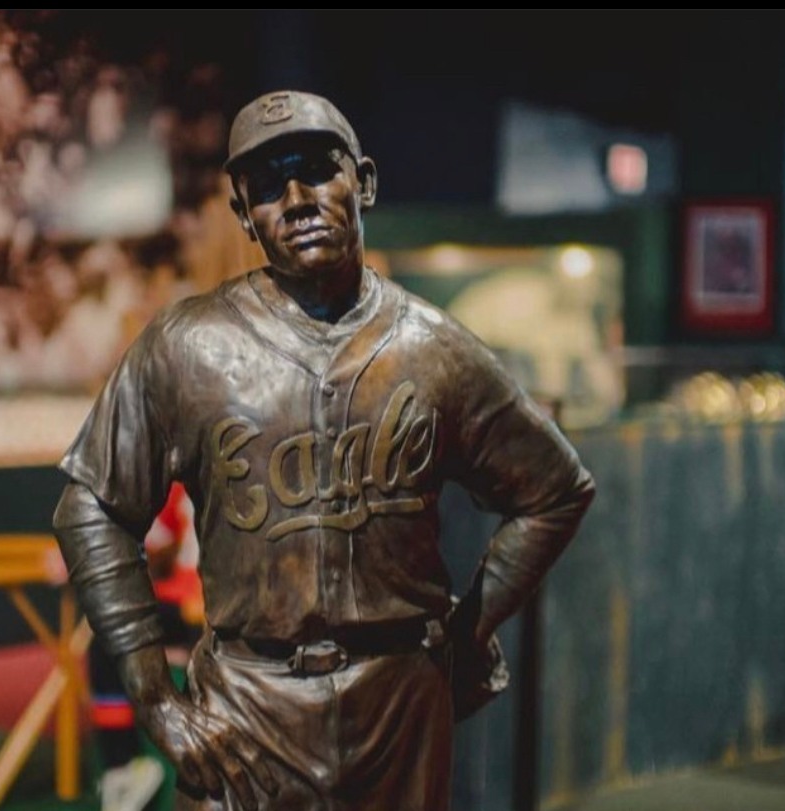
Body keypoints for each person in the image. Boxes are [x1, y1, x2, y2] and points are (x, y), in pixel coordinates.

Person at [52, 89, 596, 810]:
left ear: (363, 182)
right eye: (270, 185)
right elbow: (90, 506)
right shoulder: (188, 346)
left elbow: (555, 489)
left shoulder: (435, 350)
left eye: (317, 169)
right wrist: (155, 693)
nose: (299, 197)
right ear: (244, 213)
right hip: (245, 709)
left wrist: (468, 628)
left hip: (398, 708)